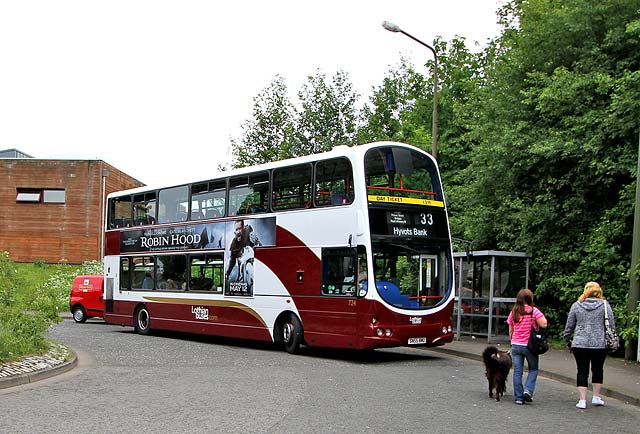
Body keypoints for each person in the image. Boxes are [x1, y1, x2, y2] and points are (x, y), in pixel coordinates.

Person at [563, 281, 616, 409]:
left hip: (580, 343)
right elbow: (611, 324)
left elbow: (569, 325)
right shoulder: (605, 305)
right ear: (599, 291)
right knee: (598, 369)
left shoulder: (577, 305)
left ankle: (582, 400)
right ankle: (596, 397)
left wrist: (567, 339)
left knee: (582, 371)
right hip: (599, 344)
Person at [507, 288, 548, 405]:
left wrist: (512, 342)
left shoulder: (513, 312)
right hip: (530, 346)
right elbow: (544, 324)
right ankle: (528, 390)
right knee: (533, 369)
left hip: (515, 345)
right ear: (530, 299)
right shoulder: (533, 311)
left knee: (517, 372)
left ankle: (518, 398)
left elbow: (511, 329)